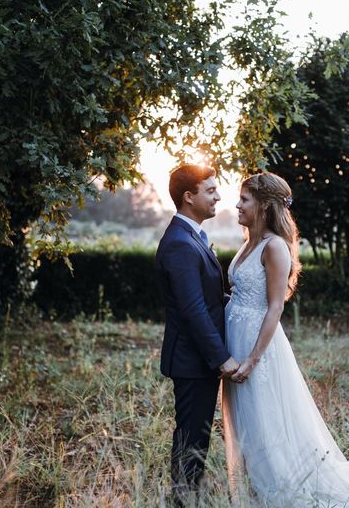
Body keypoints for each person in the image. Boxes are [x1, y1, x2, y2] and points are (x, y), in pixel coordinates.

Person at [222, 172, 349, 506]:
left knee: (267, 423)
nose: (238, 204)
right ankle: (255, 491)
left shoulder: (274, 246)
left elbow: (275, 307)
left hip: (258, 348)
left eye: (244, 199)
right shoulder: (249, 242)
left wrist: (252, 359)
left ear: (263, 205)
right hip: (236, 340)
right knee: (248, 424)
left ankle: (281, 493)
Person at [154, 164, 240, 504]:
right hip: (191, 360)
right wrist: (222, 358)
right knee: (191, 437)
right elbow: (193, 310)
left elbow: (206, 297)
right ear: (189, 197)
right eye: (210, 190)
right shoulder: (179, 243)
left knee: (197, 436)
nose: (218, 195)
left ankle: (188, 498)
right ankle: (183, 500)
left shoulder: (192, 236)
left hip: (196, 359)